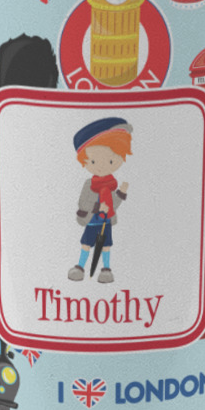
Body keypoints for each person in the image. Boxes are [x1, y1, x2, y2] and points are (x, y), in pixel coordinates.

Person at [69, 117, 133, 285]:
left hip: (106, 222)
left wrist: (121, 193)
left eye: (111, 161)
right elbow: (83, 203)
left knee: (106, 246)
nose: (101, 166)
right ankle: (80, 267)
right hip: (92, 221)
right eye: (93, 161)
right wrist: (98, 208)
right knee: (86, 244)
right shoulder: (89, 184)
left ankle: (106, 269)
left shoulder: (112, 185)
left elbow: (114, 205)